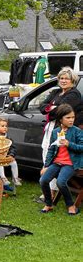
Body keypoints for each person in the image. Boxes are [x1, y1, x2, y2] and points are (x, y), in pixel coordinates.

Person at [39, 67, 81, 198]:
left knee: (55, 156)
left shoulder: (74, 94)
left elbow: (62, 111)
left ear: (72, 80)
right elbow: (42, 106)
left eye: (66, 78)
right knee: (46, 151)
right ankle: (48, 190)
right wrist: (51, 108)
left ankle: (52, 191)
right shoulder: (56, 92)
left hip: (61, 129)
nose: (63, 81)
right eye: (61, 78)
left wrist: (51, 109)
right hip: (50, 127)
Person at [40, 104, 82, 215]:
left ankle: (71, 205)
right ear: (60, 119)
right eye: (68, 118)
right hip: (57, 162)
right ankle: (49, 204)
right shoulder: (55, 132)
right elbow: (51, 149)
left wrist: (69, 144)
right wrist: (46, 166)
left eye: (73, 117)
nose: (71, 120)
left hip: (70, 163)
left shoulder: (77, 131)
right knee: (43, 180)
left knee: (60, 182)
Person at [0, 118, 21, 186]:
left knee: (13, 162)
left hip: (5, 157)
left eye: (6, 126)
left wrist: (11, 155)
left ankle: (15, 178)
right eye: (2, 126)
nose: (5, 128)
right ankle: (3, 178)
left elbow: (13, 148)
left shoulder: (8, 138)